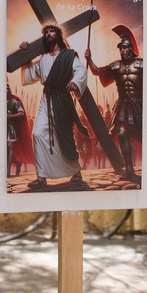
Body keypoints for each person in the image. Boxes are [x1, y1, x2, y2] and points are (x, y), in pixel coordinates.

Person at [19, 25, 89, 190]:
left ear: (58, 35)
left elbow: (80, 71)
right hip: (46, 99)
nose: (49, 34)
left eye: (52, 31)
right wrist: (25, 54)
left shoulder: (68, 55)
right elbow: (31, 73)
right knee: (37, 133)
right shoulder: (42, 58)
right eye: (46, 32)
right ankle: (41, 177)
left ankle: (76, 171)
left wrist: (75, 81)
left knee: (65, 136)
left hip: (62, 99)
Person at [84, 25, 144, 182]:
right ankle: (129, 168)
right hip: (124, 107)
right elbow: (97, 71)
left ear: (131, 48)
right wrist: (89, 60)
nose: (122, 51)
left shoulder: (143, 65)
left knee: (146, 136)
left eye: (124, 48)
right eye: (120, 48)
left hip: (141, 107)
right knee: (122, 134)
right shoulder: (116, 66)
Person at [6, 84, 33, 177]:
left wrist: (10, 116)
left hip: (11, 127)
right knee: (4, 149)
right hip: (0, 128)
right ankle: (17, 163)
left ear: (8, 90)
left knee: (10, 145)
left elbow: (21, 113)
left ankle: (8, 170)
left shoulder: (14, 101)